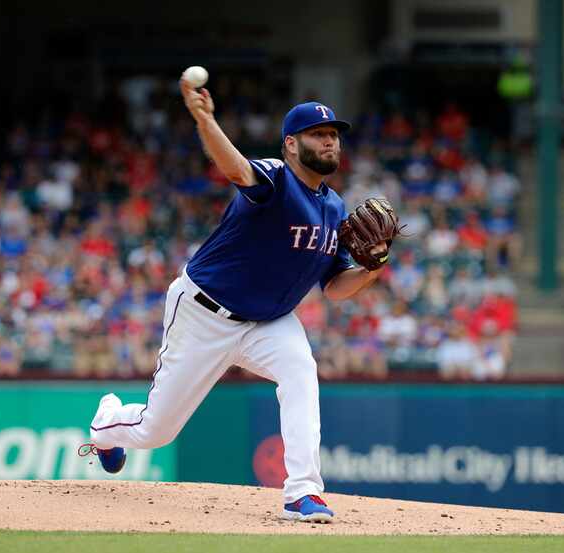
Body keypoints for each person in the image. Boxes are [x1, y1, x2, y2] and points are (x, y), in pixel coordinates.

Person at [81, 76, 392, 524]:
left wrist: (374, 268)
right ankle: (107, 423)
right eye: (318, 135)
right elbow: (233, 169)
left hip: (270, 321)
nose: (329, 142)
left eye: (333, 136)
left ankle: (303, 493)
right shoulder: (275, 178)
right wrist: (205, 119)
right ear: (290, 144)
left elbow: (337, 287)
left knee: (301, 371)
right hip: (206, 311)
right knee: (156, 431)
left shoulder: (335, 208)